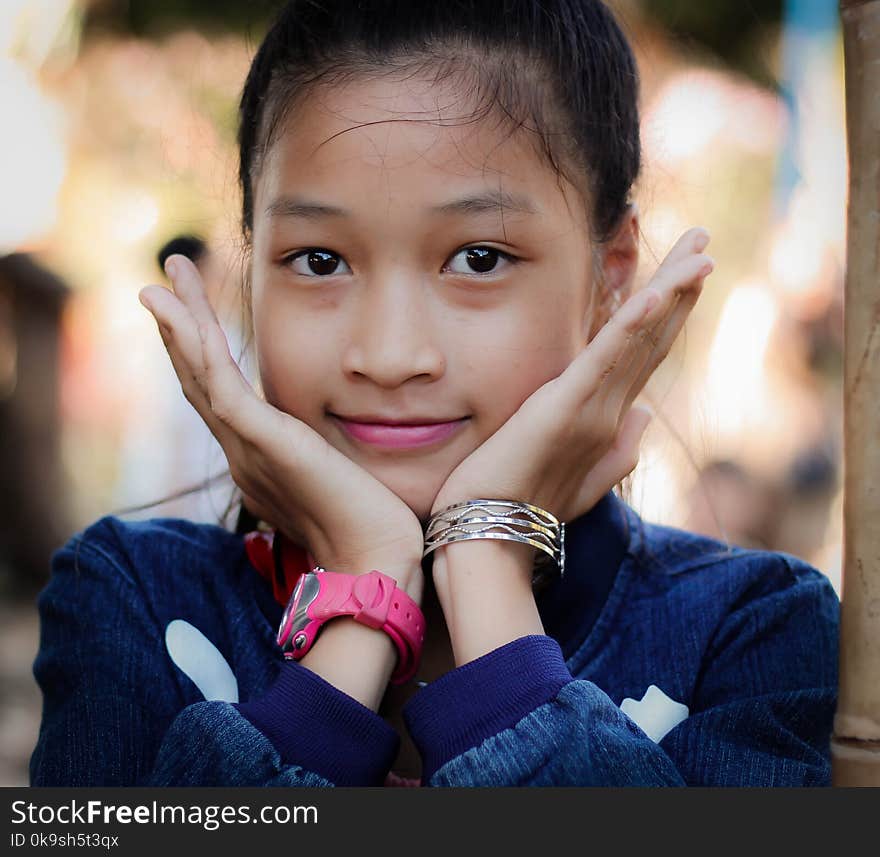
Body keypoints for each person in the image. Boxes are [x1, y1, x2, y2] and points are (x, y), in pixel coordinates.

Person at [29, 0, 838, 787]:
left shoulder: (748, 628)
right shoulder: (131, 598)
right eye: (318, 259)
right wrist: (363, 589)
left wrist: (486, 561)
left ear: (610, 278)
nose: (389, 355)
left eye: (479, 257)